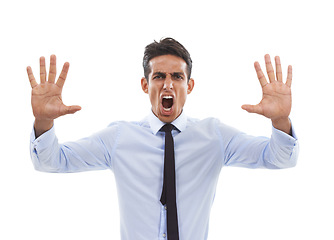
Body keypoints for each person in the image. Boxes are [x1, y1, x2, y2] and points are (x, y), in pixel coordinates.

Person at [27, 38, 299, 240]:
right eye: (159, 76)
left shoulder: (214, 136)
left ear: (189, 86)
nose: (168, 85)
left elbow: (278, 159)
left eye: (177, 77)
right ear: (145, 85)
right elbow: (53, 162)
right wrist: (43, 121)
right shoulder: (119, 138)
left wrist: (279, 121)